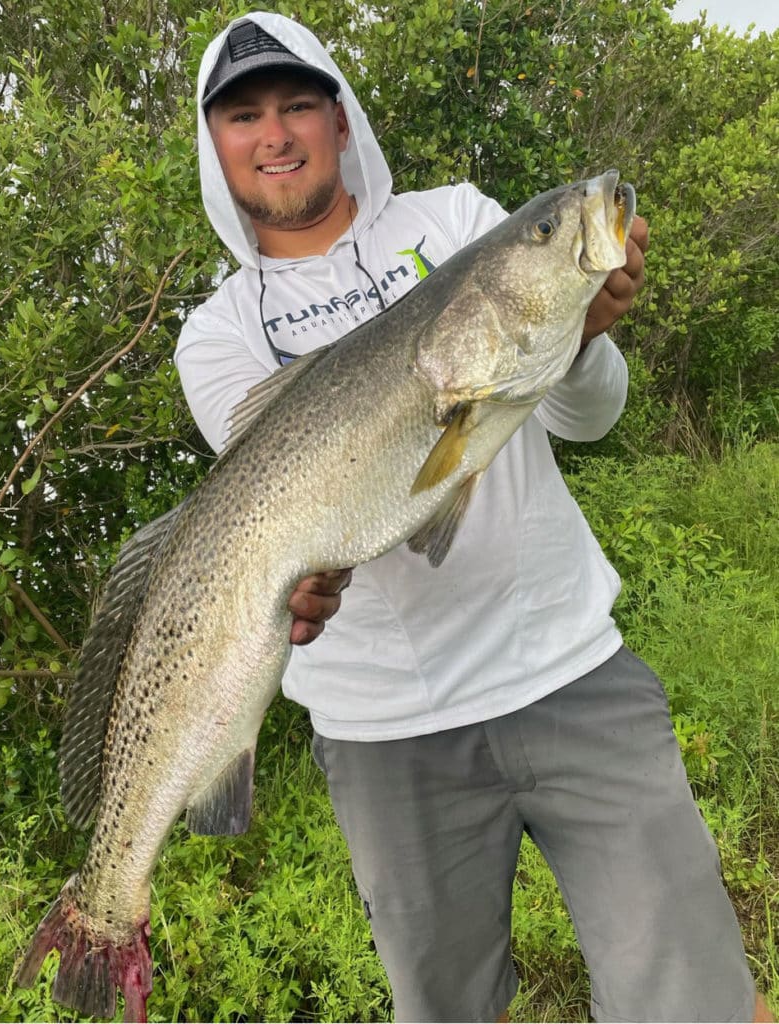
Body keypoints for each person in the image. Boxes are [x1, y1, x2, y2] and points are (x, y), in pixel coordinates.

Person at [175, 12, 772, 1023]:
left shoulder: (456, 222)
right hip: (383, 737)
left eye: (295, 105)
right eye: (244, 115)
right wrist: (301, 583)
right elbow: (278, 532)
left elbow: (590, 415)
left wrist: (583, 327)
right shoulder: (217, 337)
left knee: (693, 995)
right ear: (215, 143)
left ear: (337, 115)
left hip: (567, 670)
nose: (274, 133)